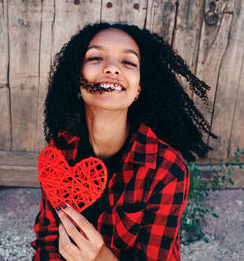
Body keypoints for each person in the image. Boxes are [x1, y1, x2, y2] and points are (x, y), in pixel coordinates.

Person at [32, 23, 216, 260]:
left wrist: (99, 256)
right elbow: (46, 243)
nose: (111, 68)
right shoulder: (59, 152)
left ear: (138, 89)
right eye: (96, 57)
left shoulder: (167, 170)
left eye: (128, 62)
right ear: (77, 79)